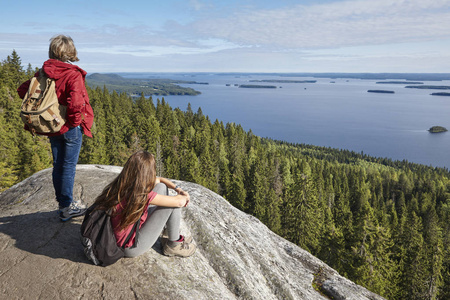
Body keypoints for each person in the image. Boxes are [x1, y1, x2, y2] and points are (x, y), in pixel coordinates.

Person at [17, 35, 94, 221]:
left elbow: (22, 91)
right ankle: (67, 208)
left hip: (51, 126)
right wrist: (74, 122)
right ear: (70, 51)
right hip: (68, 127)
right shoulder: (72, 74)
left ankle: (62, 204)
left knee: (58, 166)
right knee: (68, 167)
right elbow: (76, 104)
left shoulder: (43, 72)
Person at [93, 150, 196, 258]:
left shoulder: (122, 183)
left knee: (161, 187)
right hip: (130, 247)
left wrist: (178, 189)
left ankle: (168, 234)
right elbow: (179, 203)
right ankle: (174, 245)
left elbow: (160, 180)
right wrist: (185, 196)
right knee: (172, 205)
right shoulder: (141, 195)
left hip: (123, 232)